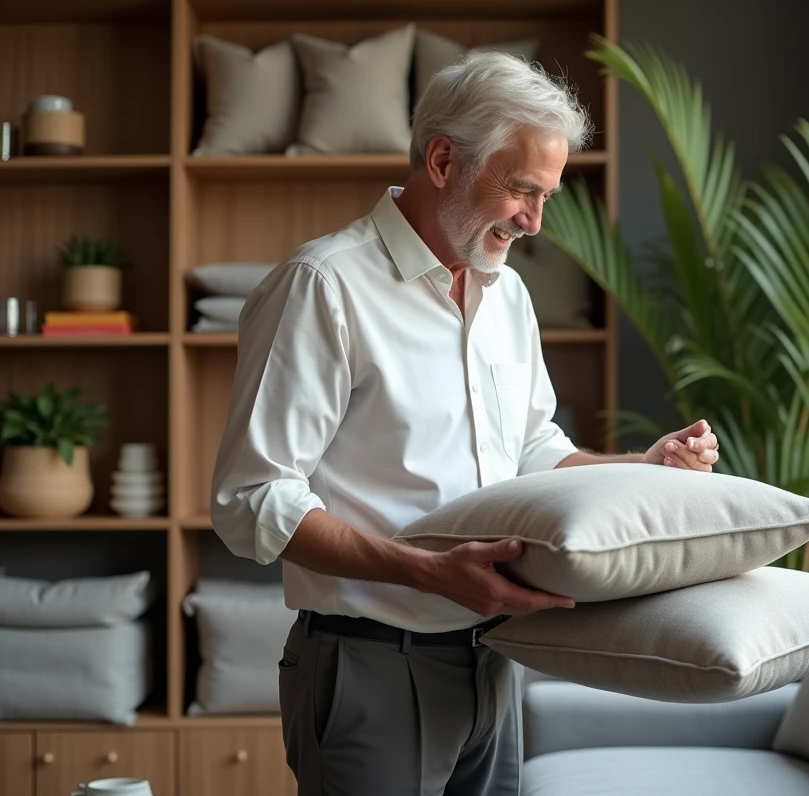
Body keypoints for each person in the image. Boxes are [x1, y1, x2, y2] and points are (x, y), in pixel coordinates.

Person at [209, 51, 720, 796]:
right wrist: (425, 571)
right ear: (443, 159)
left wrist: (646, 466)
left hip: (494, 661)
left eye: (546, 196)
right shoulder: (325, 287)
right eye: (521, 189)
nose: (535, 222)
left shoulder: (507, 297)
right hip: (371, 667)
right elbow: (251, 498)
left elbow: (534, 451)